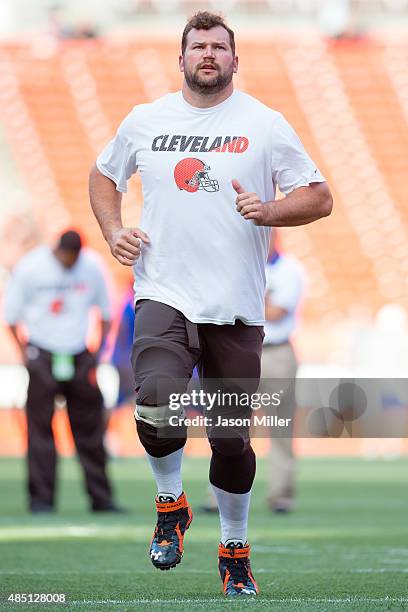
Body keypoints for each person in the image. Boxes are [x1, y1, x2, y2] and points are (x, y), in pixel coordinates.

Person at [89, 11, 332, 597]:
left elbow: (319, 197)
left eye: (218, 47)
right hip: (163, 292)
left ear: (234, 59)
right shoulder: (145, 120)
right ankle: (170, 504)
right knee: (155, 399)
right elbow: (102, 176)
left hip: (237, 309)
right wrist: (113, 229)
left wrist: (269, 211)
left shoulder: (264, 123)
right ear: (180, 59)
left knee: (231, 442)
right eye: (197, 46)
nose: (207, 54)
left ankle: (234, 549)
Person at [5, 230, 120, 513]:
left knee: (90, 430)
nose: (69, 262)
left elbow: (106, 313)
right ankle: (41, 500)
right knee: (40, 431)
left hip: (79, 353)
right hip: (42, 352)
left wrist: (97, 352)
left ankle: (101, 498)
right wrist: (25, 355)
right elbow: (11, 316)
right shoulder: (31, 266)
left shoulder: (91, 267)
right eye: (65, 257)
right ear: (57, 250)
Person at [200, 229, 304, 514]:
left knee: (280, 426)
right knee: (230, 425)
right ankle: (219, 493)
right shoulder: (241, 264)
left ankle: (280, 496)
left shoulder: (289, 269)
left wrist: (246, 299)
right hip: (243, 350)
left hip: (275, 351)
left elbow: (277, 312)